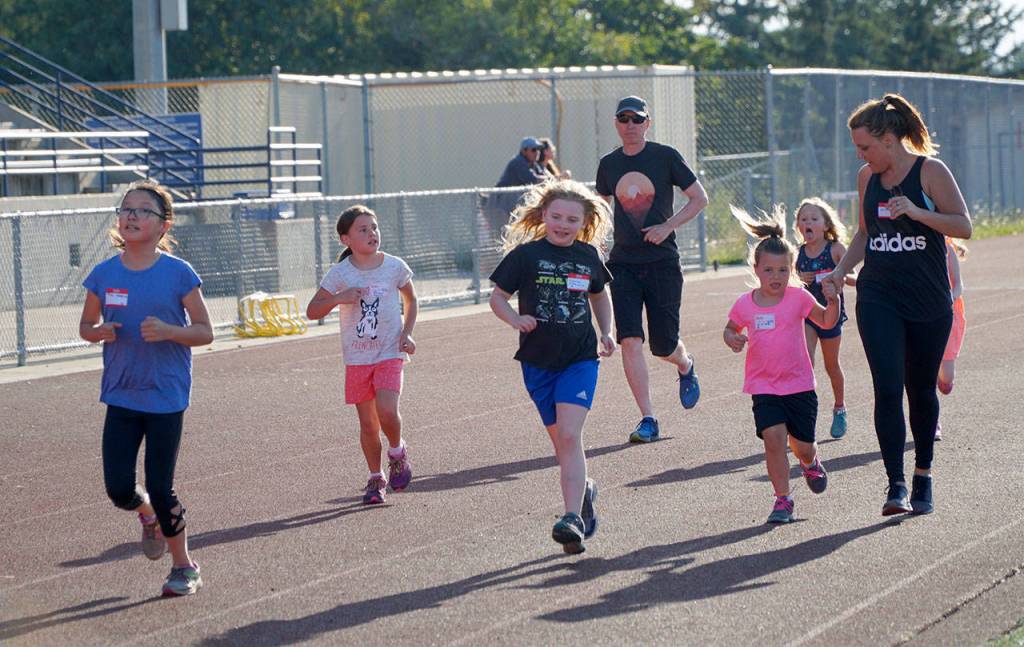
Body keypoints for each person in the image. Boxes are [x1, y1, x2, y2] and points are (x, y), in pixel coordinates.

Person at [822, 93, 972, 516]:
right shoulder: (867, 178)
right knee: (887, 388)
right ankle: (896, 485)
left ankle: (923, 474)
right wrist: (839, 272)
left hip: (927, 299)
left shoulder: (930, 172)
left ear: (889, 139)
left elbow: (964, 226)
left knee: (920, 390)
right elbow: (865, 233)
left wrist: (919, 213)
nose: (861, 155)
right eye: (857, 148)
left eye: (865, 146)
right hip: (878, 295)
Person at [79, 179, 213, 596]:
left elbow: (206, 332)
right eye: (127, 209)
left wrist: (172, 330)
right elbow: (85, 327)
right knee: (119, 488)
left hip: (165, 395)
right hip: (121, 393)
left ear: (163, 224)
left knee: (160, 482)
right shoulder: (103, 274)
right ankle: (147, 514)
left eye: (143, 210)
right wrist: (98, 333)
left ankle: (184, 566)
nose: (132, 215)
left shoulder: (178, 273)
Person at [488, 179, 615, 554]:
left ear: (584, 222)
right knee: (563, 444)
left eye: (572, 219)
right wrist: (515, 320)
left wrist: (606, 331)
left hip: (579, 359)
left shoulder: (588, 256)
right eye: (556, 216)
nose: (563, 223)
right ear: (544, 215)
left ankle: (571, 518)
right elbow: (497, 297)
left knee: (571, 436)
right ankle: (585, 490)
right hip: (537, 362)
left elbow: (600, 294)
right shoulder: (526, 256)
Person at [595, 95, 709, 443]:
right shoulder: (608, 164)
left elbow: (699, 198)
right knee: (630, 340)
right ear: (616, 123)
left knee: (663, 346)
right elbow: (600, 207)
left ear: (647, 123)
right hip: (623, 264)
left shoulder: (665, 156)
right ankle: (648, 417)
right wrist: (594, 246)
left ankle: (685, 364)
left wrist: (667, 227)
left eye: (636, 119)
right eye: (623, 118)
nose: (630, 125)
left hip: (662, 264)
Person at [724, 205, 840, 524]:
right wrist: (731, 337)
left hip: (799, 384)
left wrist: (834, 301)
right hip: (763, 386)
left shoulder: (799, 298)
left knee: (802, 447)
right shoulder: (745, 304)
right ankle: (782, 500)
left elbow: (827, 322)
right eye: (768, 270)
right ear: (756, 269)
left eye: (782, 271)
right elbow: (731, 327)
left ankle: (810, 461)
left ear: (791, 269)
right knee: (773, 438)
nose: (775, 277)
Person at [306, 205, 418, 505]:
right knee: (368, 424)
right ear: (346, 239)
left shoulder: (394, 266)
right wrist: (339, 298)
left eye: (374, 227)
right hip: (357, 358)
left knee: (386, 410)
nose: (372, 234)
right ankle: (375, 477)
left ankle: (397, 451)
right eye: (363, 229)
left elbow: (411, 299)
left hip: (389, 351)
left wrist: (406, 333)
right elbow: (311, 310)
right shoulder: (340, 274)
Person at [794, 197, 850, 439]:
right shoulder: (795, 254)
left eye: (814, 219)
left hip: (831, 313)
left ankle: (839, 408)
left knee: (831, 365)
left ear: (825, 224)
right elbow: (782, 283)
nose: (808, 223)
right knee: (806, 361)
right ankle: (803, 416)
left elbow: (855, 277)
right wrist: (797, 279)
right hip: (807, 315)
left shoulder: (835, 249)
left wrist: (836, 276)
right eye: (803, 219)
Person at [935, 237, 968, 440]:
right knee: (924, 376)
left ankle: (943, 379)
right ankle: (932, 422)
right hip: (923, 312)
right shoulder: (914, 246)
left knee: (947, 377)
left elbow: (959, 284)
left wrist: (950, 297)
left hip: (948, 313)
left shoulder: (948, 249)